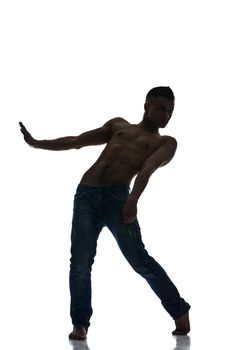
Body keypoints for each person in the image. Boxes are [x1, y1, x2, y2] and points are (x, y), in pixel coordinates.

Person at [19, 86, 191, 340]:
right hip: (86, 195)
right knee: (79, 264)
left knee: (139, 260)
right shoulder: (118, 125)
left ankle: (178, 309)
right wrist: (36, 143)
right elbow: (77, 141)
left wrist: (132, 199)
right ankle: (80, 324)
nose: (167, 115)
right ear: (146, 106)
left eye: (171, 111)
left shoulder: (165, 142)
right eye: (162, 109)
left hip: (118, 199)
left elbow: (147, 170)